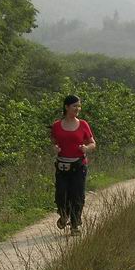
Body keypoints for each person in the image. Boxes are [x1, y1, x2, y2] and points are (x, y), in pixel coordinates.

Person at [50, 94, 96, 235]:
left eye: (79, 106)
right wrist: (55, 148)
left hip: (78, 165)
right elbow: (53, 142)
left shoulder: (83, 124)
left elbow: (93, 143)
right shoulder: (57, 125)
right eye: (75, 106)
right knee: (61, 194)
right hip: (62, 166)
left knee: (77, 195)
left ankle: (75, 225)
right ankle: (64, 215)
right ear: (66, 107)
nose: (78, 108)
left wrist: (86, 148)